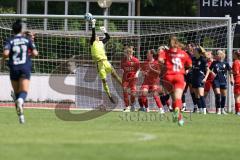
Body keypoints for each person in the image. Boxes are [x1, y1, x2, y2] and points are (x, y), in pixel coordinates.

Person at [2, 20, 38, 124]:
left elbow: (5, 53)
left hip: (13, 68)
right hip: (25, 67)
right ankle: (21, 101)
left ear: (13, 30)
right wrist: (28, 56)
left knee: (17, 93)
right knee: (23, 92)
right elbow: (35, 53)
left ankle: (21, 117)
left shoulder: (10, 40)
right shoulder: (27, 40)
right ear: (21, 30)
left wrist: (3, 60)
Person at [159, 36, 192, 125]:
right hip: (179, 77)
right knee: (178, 98)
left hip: (168, 77)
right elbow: (190, 64)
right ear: (177, 43)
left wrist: (164, 62)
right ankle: (179, 118)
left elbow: (160, 60)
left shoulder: (165, 52)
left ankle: (176, 117)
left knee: (174, 98)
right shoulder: (184, 53)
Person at [90, 19, 122, 103]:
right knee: (104, 81)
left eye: (97, 35)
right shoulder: (92, 42)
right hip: (99, 64)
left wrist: (104, 31)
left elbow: (108, 37)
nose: (97, 36)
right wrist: (93, 24)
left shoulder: (101, 42)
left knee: (115, 75)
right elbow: (93, 34)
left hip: (106, 62)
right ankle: (109, 95)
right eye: (96, 35)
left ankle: (124, 86)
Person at [139, 49, 164, 113]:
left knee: (155, 95)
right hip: (146, 82)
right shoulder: (145, 63)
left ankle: (161, 109)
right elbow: (142, 72)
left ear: (151, 54)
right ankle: (147, 108)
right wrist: (143, 73)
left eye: (148, 53)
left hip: (154, 82)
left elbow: (159, 72)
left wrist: (151, 69)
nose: (146, 54)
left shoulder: (156, 63)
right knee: (143, 93)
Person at [210, 50, 234, 115]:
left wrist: (231, 78)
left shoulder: (225, 63)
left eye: (218, 54)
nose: (216, 55)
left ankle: (222, 109)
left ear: (221, 55)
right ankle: (218, 110)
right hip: (216, 80)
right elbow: (209, 69)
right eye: (216, 54)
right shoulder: (214, 62)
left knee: (223, 96)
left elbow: (230, 71)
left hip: (223, 81)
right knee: (217, 95)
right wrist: (212, 73)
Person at [191, 46, 210, 114]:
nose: (194, 51)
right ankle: (200, 109)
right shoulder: (193, 58)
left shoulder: (203, 59)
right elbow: (192, 67)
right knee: (196, 95)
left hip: (200, 78)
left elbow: (208, 70)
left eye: (195, 50)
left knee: (201, 94)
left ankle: (204, 110)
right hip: (194, 78)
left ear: (198, 52)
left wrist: (205, 78)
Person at [121, 46, 140, 112]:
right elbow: (122, 68)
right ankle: (127, 107)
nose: (128, 54)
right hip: (125, 79)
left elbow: (138, 68)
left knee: (133, 93)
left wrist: (137, 74)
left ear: (132, 53)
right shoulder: (123, 61)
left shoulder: (135, 60)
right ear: (126, 53)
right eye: (127, 52)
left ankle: (132, 105)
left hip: (133, 79)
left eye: (130, 52)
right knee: (125, 91)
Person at [232, 50, 240, 115]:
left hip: (238, 81)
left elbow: (236, 72)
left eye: (234, 54)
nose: (233, 55)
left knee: (236, 97)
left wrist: (231, 72)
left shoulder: (236, 62)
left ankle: (238, 111)